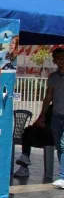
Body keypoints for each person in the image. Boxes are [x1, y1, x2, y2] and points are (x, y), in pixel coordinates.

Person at [36, 48, 64, 188]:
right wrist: (42, 115)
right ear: (54, 60)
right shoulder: (53, 77)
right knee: (59, 146)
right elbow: (48, 97)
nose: (61, 61)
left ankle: (62, 176)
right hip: (56, 116)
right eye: (58, 58)